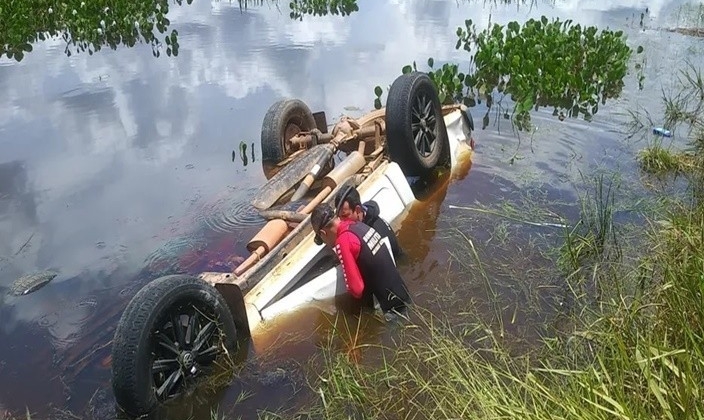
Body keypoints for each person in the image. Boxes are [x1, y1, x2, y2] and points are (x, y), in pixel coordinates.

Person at [311, 202, 411, 320]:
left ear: (323, 233)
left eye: (322, 240)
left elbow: (357, 289)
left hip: (392, 311)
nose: (326, 244)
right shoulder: (355, 224)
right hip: (404, 294)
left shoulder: (343, 241)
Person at [333, 185, 403, 261]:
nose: (341, 222)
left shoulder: (375, 233)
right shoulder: (367, 211)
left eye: (345, 216)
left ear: (358, 210)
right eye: (339, 217)